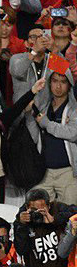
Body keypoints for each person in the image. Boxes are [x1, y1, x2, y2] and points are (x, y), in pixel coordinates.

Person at [31, 72, 77, 206]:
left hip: (67, 172)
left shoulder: (74, 109)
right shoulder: (44, 107)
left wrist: (47, 124)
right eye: (55, 81)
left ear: (69, 85)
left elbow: (73, 133)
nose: (58, 86)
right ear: (49, 83)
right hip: (43, 172)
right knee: (38, 212)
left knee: (70, 213)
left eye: (63, 82)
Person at [13, 188, 73, 267]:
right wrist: (22, 225)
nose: (38, 213)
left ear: (49, 206)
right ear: (27, 207)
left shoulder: (57, 209)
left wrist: (55, 219)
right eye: (34, 210)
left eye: (41, 210)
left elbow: (74, 212)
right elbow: (21, 250)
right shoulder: (23, 221)